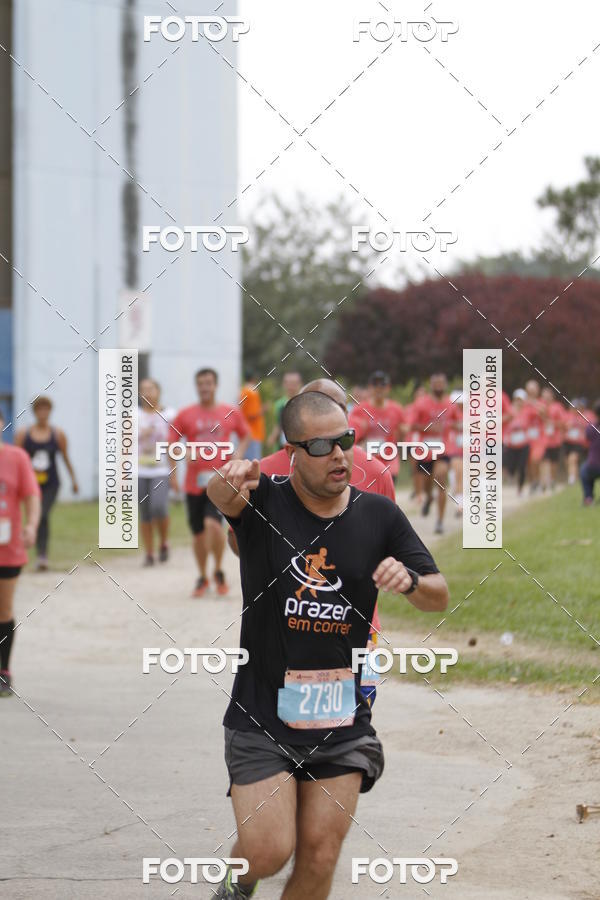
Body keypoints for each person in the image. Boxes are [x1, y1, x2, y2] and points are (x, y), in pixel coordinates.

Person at [208, 391, 448, 900]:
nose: (340, 454)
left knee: (319, 856)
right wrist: (225, 480)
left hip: (340, 718)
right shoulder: (264, 502)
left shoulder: (379, 514)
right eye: (322, 446)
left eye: (346, 440)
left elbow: (438, 594)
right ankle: (233, 881)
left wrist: (408, 582)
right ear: (291, 451)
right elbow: (220, 498)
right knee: (269, 849)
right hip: (261, 714)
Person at [230, 378, 397, 709]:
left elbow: (388, 546)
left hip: (358, 627)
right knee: (288, 719)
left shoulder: (377, 473)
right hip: (285, 624)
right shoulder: (262, 473)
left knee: (354, 715)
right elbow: (238, 541)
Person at [170, 368, 251, 597]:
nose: (205, 387)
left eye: (209, 383)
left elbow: (245, 434)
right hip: (193, 483)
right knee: (197, 534)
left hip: (220, 481)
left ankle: (218, 570)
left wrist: (238, 455)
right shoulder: (185, 414)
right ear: (197, 387)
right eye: (201, 383)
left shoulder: (229, 412)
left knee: (213, 525)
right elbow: (172, 442)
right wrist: (177, 465)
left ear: (215, 385)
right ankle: (203, 576)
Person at [0, 407, 41, 696]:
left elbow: (31, 495)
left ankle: (3, 670)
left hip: (7, 545)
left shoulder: (16, 458)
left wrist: (32, 525)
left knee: (3, 608)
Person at [15, 396, 78, 571]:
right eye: (39, 409)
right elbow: (16, 460)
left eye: (46, 409)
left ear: (50, 411)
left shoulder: (58, 434)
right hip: (30, 484)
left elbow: (65, 458)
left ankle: (42, 555)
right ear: (35, 412)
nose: (43, 413)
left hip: (51, 483)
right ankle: (31, 552)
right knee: (32, 518)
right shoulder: (23, 434)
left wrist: (74, 480)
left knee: (42, 515)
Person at [408, 373, 457, 534]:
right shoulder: (421, 404)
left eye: (441, 383)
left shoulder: (450, 404)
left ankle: (440, 521)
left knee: (441, 477)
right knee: (428, 485)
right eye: (435, 383)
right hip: (425, 449)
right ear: (431, 385)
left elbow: (457, 421)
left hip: (444, 448)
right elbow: (412, 425)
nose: (438, 386)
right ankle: (428, 498)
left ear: (445, 385)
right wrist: (428, 427)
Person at [138, 378, 177, 567]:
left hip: (161, 469)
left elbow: (173, 445)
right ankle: (149, 552)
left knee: (158, 507)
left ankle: (163, 541)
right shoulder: (133, 415)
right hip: (139, 469)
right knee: (144, 512)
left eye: (150, 388)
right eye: (143, 389)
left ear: (158, 391)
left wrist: (175, 472)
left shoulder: (169, 414)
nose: (147, 392)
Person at [348, 371, 406, 486]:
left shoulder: (396, 409)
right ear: (370, 388)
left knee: (388, 485)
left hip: (389, 457)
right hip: (368, 458)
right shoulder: (360, 409)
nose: (379, 388)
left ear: (388, 388)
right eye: (375, 385)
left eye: (382, 385)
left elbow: (403, 429)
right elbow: (352, 434)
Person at [503, 389, 531, 495]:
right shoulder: (508, 410)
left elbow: (541, 414)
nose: (519, 402)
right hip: (511, 444)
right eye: (517, 399)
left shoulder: (528, 411)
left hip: (524, 443)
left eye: (521, 400)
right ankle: (510, 476)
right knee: (510, 466)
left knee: (522, 467)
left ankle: (520, 488)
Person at [539, 387, 566, 492]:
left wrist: (553, 423)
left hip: (555, 440)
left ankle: (552, 479)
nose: (546, 398)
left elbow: (563, 423)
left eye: (548, 396)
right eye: (544, 396)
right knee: (543, 461)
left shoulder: (557, 407)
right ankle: (544, 481)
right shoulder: (539, 406)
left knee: (554, 463)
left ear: (552, 396)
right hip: (542, 440)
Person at [268, 372, 303, 448]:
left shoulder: (304, 403)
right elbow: (277, 424)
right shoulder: (278, 405)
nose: (291, 387)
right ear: (284, 384)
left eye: (294, 384)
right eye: (289, 383)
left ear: (300, 384)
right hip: (282, 446)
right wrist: (273, 437)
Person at [564, 398, 593, 485]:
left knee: (573, 459)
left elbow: (590, 428)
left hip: (580, 443)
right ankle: (574, 477)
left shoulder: (587, 415)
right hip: (568, 442)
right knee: (568, 461)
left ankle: (572, 480)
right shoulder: (568, 415)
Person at [239, 372, 265, 461]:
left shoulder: (243, 390)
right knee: (253, 463)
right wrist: (263, 410)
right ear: (253, 379)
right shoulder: (252, 392)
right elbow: (251, 414)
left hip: (246, 433)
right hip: (253, 433)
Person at [580, 399, 600, 506]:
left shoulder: (591, 427)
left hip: (594, 465)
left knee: (584, 471)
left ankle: (588, 497)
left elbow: (586, 440)